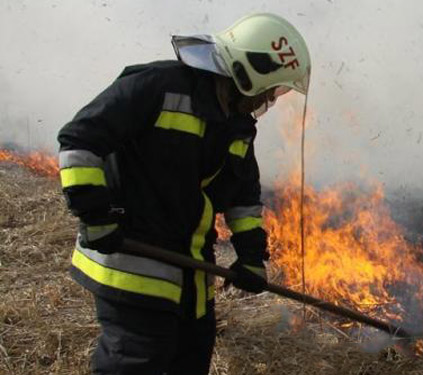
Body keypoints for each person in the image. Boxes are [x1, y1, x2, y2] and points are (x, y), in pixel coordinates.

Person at [57, 13, 311, 374]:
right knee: (137, 361)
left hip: (190, 273)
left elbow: (242, 198)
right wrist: (96, 215)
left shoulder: (236, 125)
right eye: (269, 90)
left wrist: (251, 257)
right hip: (130, 263)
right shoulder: (157, 85)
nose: (269, 99)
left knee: (192, 358)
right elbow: (79, 140)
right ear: (246, 72)